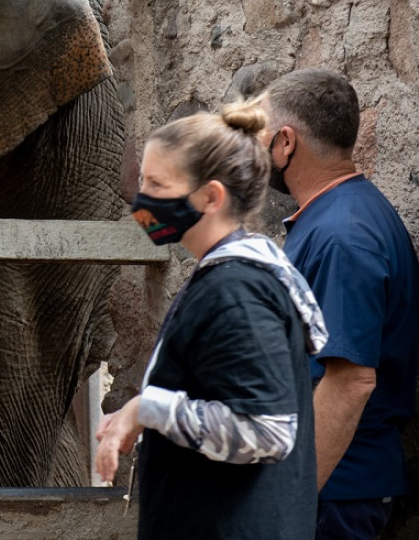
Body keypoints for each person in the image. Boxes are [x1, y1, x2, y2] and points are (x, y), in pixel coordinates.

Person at [95, 100, 327, 539]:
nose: (142, 202)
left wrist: (149, 408)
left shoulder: (236, 291)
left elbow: (266, 430)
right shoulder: (225, 277)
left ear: (211, 197)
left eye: (157, 186)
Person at [260, 68, 419, 539]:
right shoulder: (335, 216)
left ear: (285, 143)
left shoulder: (341, 237)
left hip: (333, 497)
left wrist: (286, 498)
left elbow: (350, 382)